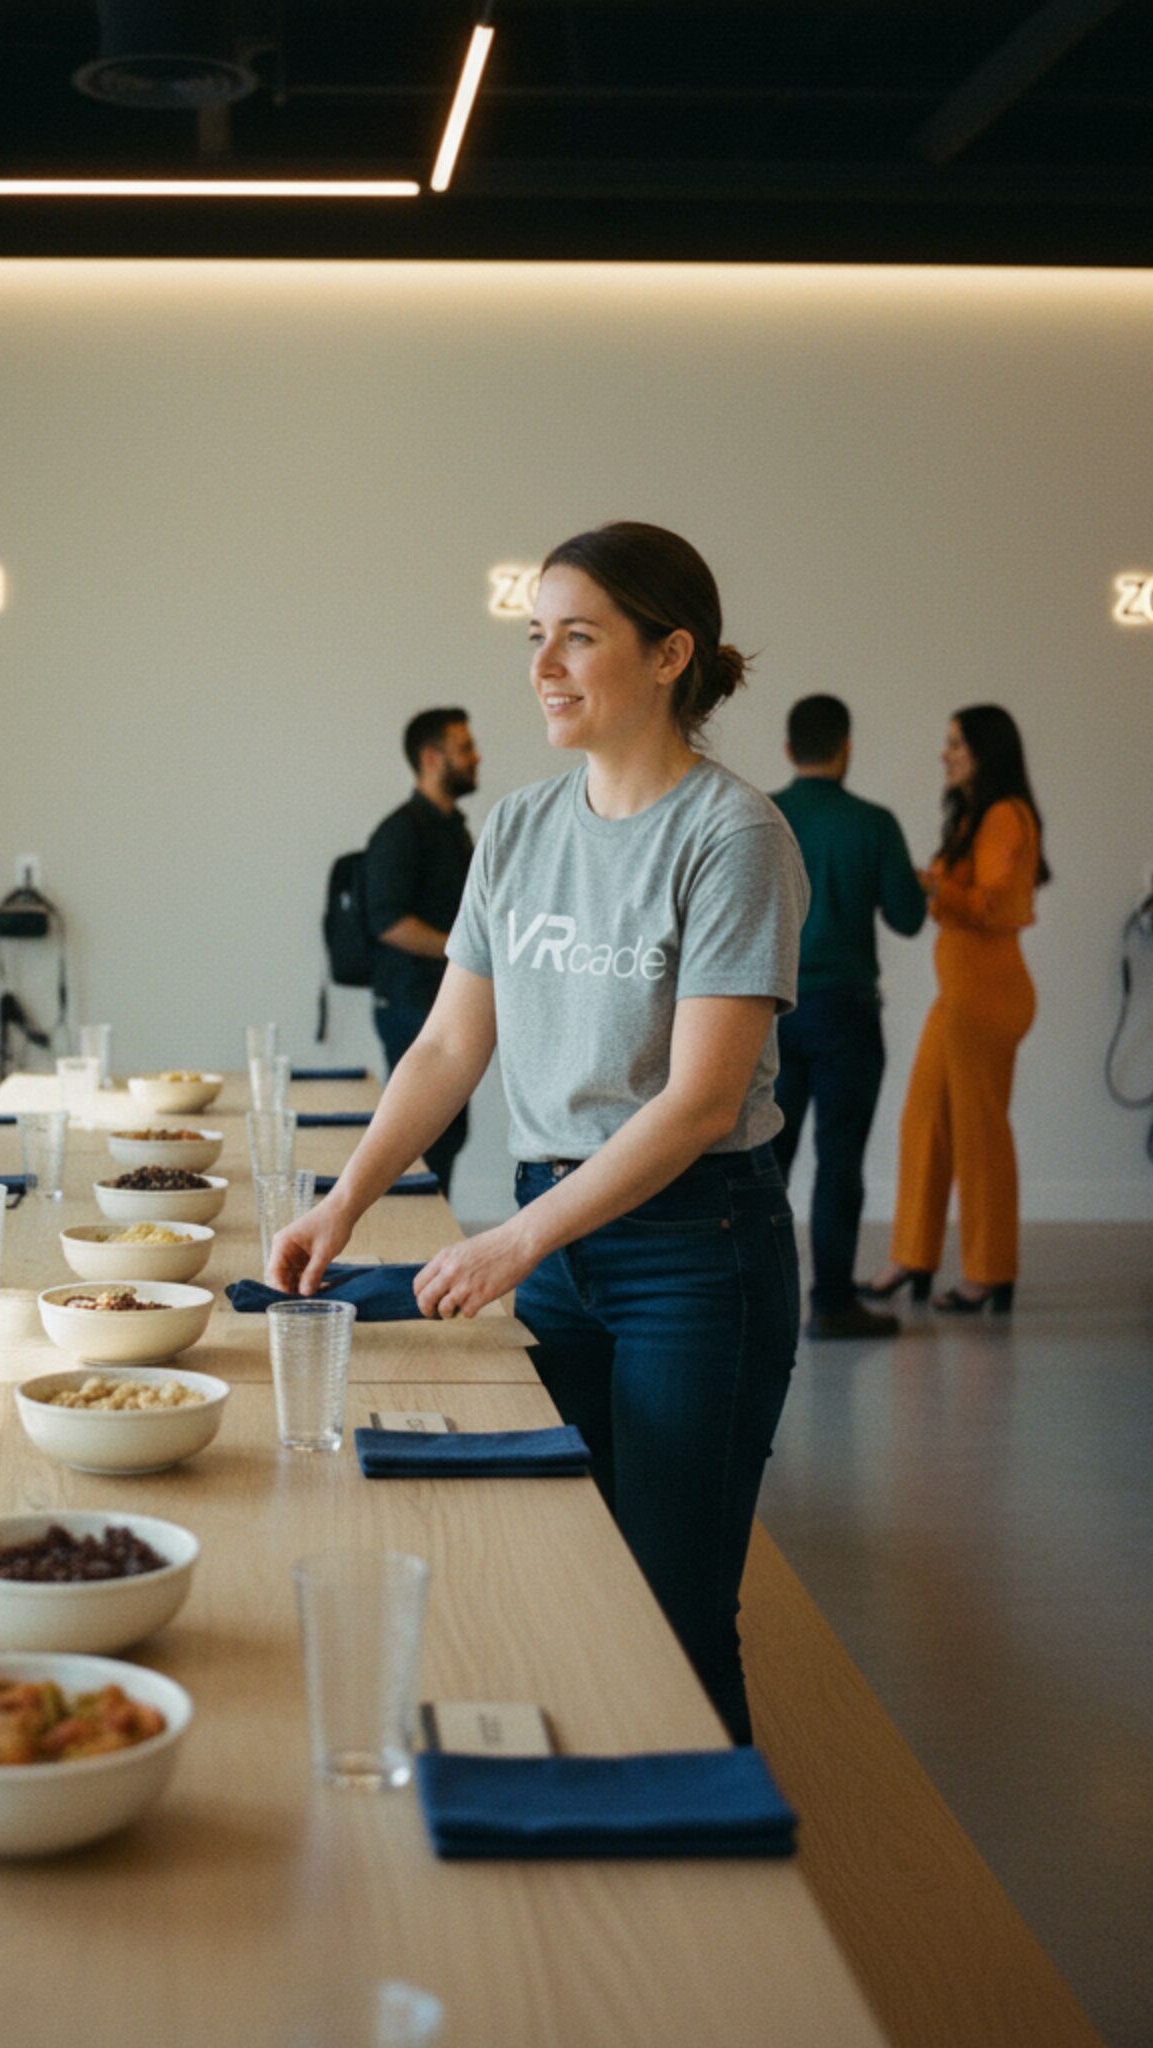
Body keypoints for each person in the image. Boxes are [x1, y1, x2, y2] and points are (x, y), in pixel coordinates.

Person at [272, 521, 808, 1747]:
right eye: (534, 637)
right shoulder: (515, 829)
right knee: (561, 1566)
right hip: (559, 1242)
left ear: (669, 653)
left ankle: (704, 1851)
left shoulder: (733, 836)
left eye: (578, 636)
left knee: (673, 1609)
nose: (543, 667)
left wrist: (512, 1242)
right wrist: (342, 1199)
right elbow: (445, 1049)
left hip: (694, 1255)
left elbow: (699, 1101)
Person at [862, 705, 1048, 1314]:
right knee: (924, 1120)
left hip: (986, 995)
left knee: (978, 1133)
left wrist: (933, 885)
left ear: (985, 753)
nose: (945, 755)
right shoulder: (974, 815)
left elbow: (999, 906)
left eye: (957, 745)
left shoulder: (1004, 815)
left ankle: (989, 1272)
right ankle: (912, 1257)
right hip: (959, 996)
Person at [771, 694, 927, 1340]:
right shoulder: (873, 823)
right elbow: (909, 918)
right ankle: (832, 1303)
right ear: (846, 747)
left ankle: (759, 1297)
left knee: (764, 1162)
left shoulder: (764, 814)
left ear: (789, 749)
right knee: (840, 1161)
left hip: (768, 1011)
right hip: (847, 1013)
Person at [364, 707, 481, 1194]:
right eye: (464, 748)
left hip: (443, 1003)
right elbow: (388, 923)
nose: (476, 757)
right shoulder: (400, 832)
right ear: (432, 758)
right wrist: (468, 952)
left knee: (447, 1135)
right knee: (420, 1139)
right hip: (410, 1004)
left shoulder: (454, 828)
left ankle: (435, 1234)